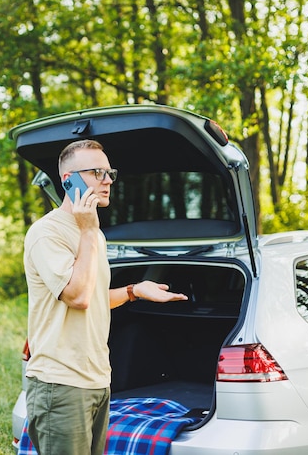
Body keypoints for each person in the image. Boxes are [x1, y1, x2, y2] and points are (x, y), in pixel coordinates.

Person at [24, 139, 188, 455]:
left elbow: (94, 296)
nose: (108, 180)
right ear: (68, 181)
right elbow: (78, 297)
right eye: (97, 172)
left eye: (109, 172)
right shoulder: (48, 233)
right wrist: (87, 231)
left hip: (98, 382)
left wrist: (133, 291)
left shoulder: (95, 235)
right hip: (61, 384)